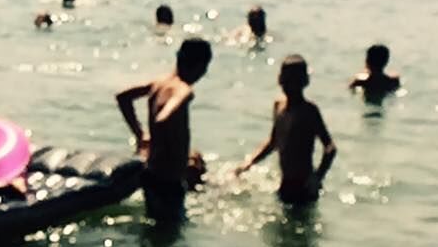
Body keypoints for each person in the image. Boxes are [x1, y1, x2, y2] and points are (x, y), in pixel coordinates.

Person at [116, 38, 213, 223]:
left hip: (151, 174)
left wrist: (140, 134)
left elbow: (123, 97)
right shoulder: (183, 90)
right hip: (168, 180)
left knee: (153, 229)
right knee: (169, 232)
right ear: (201, 66)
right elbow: (164, 117)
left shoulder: (159, 83)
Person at [235, 55, 337, 204]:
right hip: (285, 183)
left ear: (305, 82)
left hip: (304, 185)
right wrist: (249, 163)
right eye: (287, 80)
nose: (290, 85)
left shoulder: (309, 111)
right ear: (280, 80)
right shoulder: (278, 106)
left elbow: (330, 148)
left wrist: (317, 177)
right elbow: (273, 142)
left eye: (295, 81)